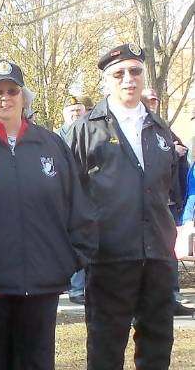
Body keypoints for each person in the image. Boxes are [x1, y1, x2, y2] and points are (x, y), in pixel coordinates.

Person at [0, 60, 96, 369]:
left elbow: (78, 203)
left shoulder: (51, 145)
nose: (5, 98)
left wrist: (73, 258)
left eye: (13, 91)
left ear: (25, 97)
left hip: (41, 285)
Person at [68, 43, 178, 369]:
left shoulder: (160, 130)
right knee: (105, 346)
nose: (128, 78)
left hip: (157, 254)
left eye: (135, 71)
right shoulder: (85, 130)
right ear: (106, 81)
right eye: (119, 73)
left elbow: (169, 189)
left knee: (158, 345)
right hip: (109, 256)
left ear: (144, 76)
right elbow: (67, 194)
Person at [141, 88, 193, 316]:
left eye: (155, 100)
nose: (152, 104)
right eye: (148, 100)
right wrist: (173, 151)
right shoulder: (132, 129)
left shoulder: (163, 128)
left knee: (168, 252)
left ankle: (171, 298)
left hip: (169, 203)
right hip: (143, 205)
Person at [56, 95, 90, 305]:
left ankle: (83, 287)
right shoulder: (54, 138)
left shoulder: (90, 132)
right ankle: (75, 288)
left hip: (87, 194)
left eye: (79, 110)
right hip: (63, 196)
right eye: (72, 111)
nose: (76, 114)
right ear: (64, 114)